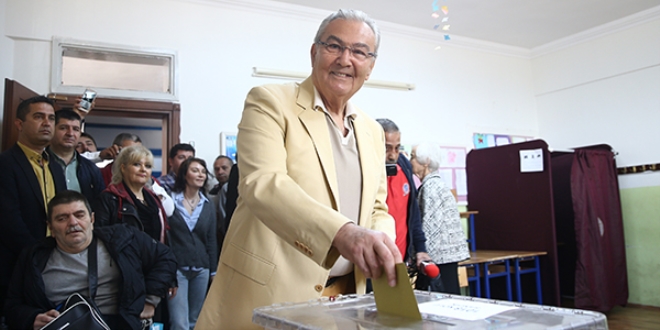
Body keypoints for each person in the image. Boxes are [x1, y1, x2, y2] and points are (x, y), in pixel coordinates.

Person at [196, 9, 401, 329]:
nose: (346, 59)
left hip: (347, 302)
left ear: (370, 66)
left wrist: (381, 242)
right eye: (334, 46)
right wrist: (344, 233)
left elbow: (377, 207)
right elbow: (262, 183)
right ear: (314, 52)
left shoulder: (372, 131)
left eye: (359, 51)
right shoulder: (270, 102)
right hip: (268, 299)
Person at [4, 190, 177, 330]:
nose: (73, 223)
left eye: (80, 215)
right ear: (50, 227)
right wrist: (32, 318)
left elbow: (165, 257)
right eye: (62, 218)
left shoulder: (122, 239)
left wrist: (150, 300)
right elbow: (12, 306)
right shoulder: (33, 257)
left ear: (92, 219)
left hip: (118, 322)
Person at [0, 96, 66, 321]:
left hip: (53, 263)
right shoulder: (6, 164)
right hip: (15, 263)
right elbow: (8, 220)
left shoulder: (56, 167)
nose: (47, 123)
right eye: (38, 117)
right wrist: (36, 256)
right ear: (19, 124)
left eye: (51, 118)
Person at [410, 143, 470, 294]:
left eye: (413, 157)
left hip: (438, 259)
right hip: (446, 257)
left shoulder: (430, 187)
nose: (410, 161)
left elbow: (431, 227)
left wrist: (421, 256)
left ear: (426, 162)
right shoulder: (438, 184)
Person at [168, 158, 217, 330]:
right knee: (178, 322)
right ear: (184, 174)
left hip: (201, 268)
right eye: (195, 170)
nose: (200, 174)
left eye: (203, 171)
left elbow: (211, 239)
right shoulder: (169, 201)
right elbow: (164, 237)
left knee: (195, 321)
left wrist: (213, 270)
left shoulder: (208, 204)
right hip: (176, 269)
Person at [376, 119, 431, 274]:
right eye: (387, 148)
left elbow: (413, 212)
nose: (393, 155)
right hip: (372, 265)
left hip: (400, 261)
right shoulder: (362, 171)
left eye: (397, 148)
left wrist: (420, 249)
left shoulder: (404, 165)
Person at [94, 145, 169, 243]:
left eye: (148, 166)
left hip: (154, 256)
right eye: (137, 164)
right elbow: (101, 238)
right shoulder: (109, 198)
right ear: (123, 168)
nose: (143, 169)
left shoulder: (154, 198)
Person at [48, 109, 106, 208]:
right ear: (52, 129)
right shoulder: (39, 162)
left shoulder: (91, 169)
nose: (70, 133)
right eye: (63, 128)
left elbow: (100, 205)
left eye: (75, 129)